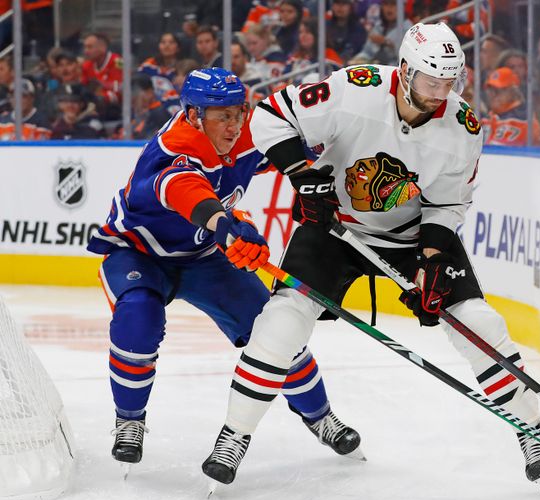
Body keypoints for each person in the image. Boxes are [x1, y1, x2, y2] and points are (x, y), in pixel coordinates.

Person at [202, 22, 540, 495]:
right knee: (281, 322)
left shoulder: (462, 126)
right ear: (406, 71)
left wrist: (432, 259)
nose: (440, 93)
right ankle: (235, 435)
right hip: (335, 227)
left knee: (480, 322)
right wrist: (302, 173)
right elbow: (270, 116)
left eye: (449, 82)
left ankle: (533, 435)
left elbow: (449, 202)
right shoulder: (354, 89)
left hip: (412, 237)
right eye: (432, 81)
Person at [85, 68, 361, 471]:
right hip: (140, 253)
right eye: (222, 116)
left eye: (238, 113)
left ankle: (321, 417)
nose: (233, 125)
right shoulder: (173, 148)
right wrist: (229, 225)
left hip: (204, 257)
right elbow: (188, 192)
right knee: (138, 318)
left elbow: (293, 148)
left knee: (276, 332)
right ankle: (129, 420)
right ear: (195, 116)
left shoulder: (245, 132)